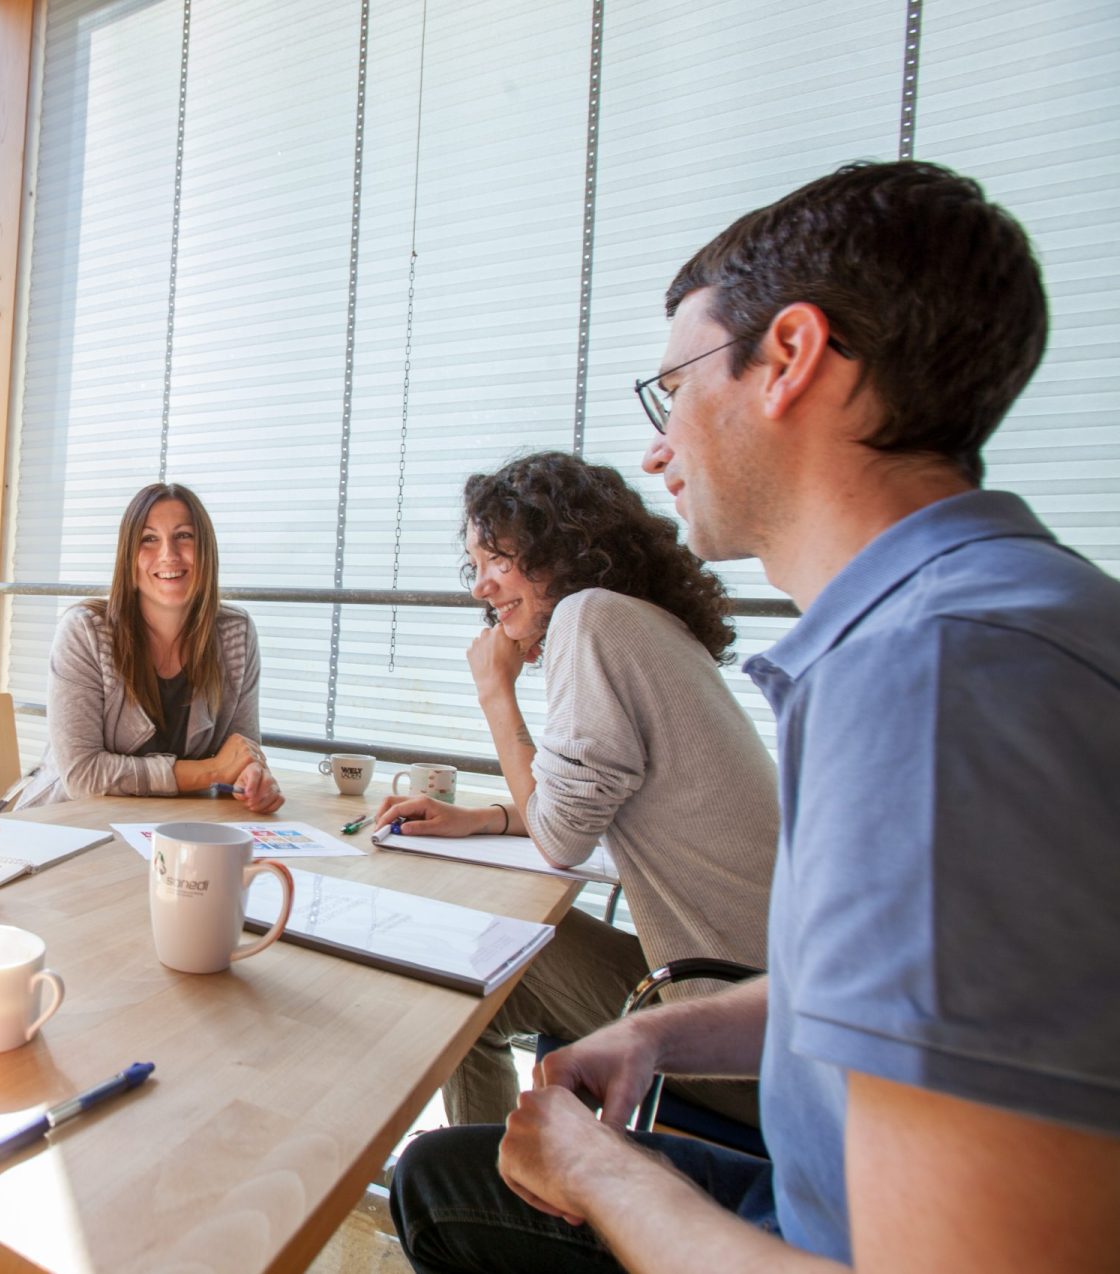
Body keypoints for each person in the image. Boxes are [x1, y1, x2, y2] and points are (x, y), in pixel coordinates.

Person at [389, 160, 1120, 1273]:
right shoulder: (993, 612)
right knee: (463, 1161)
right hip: (780, 1116)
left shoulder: (937, 684)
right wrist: (656, 1029)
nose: (655, 446)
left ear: (790, 358)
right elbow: (873, 987)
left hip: (805, 1212)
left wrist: (598, 1172)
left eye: (671, 387)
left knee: (452, 1185)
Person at [374, 452, 776, 1127]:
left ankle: (478, 1199)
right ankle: (487, 1186)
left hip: (731, 1033)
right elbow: (613, 814)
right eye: (475, 568)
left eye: (496, 560)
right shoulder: (646, 625)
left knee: (469, 956)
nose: (481, 589)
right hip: (770, 1008)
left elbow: (562, 840)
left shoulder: (591, 621)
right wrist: (486, 818)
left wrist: (494, 690)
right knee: (481, 986)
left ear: (558, 548)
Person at [41, 482, 284, 813]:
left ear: (206, 550)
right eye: (148, 539)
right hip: (70, 824)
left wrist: (254, 779)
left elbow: (241, 752)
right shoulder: (84, 631)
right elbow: (82, 776)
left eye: (184, 536)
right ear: (128, 557)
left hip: (172, 829)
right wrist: (209, 772)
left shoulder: (235, 634)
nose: (169, 554)